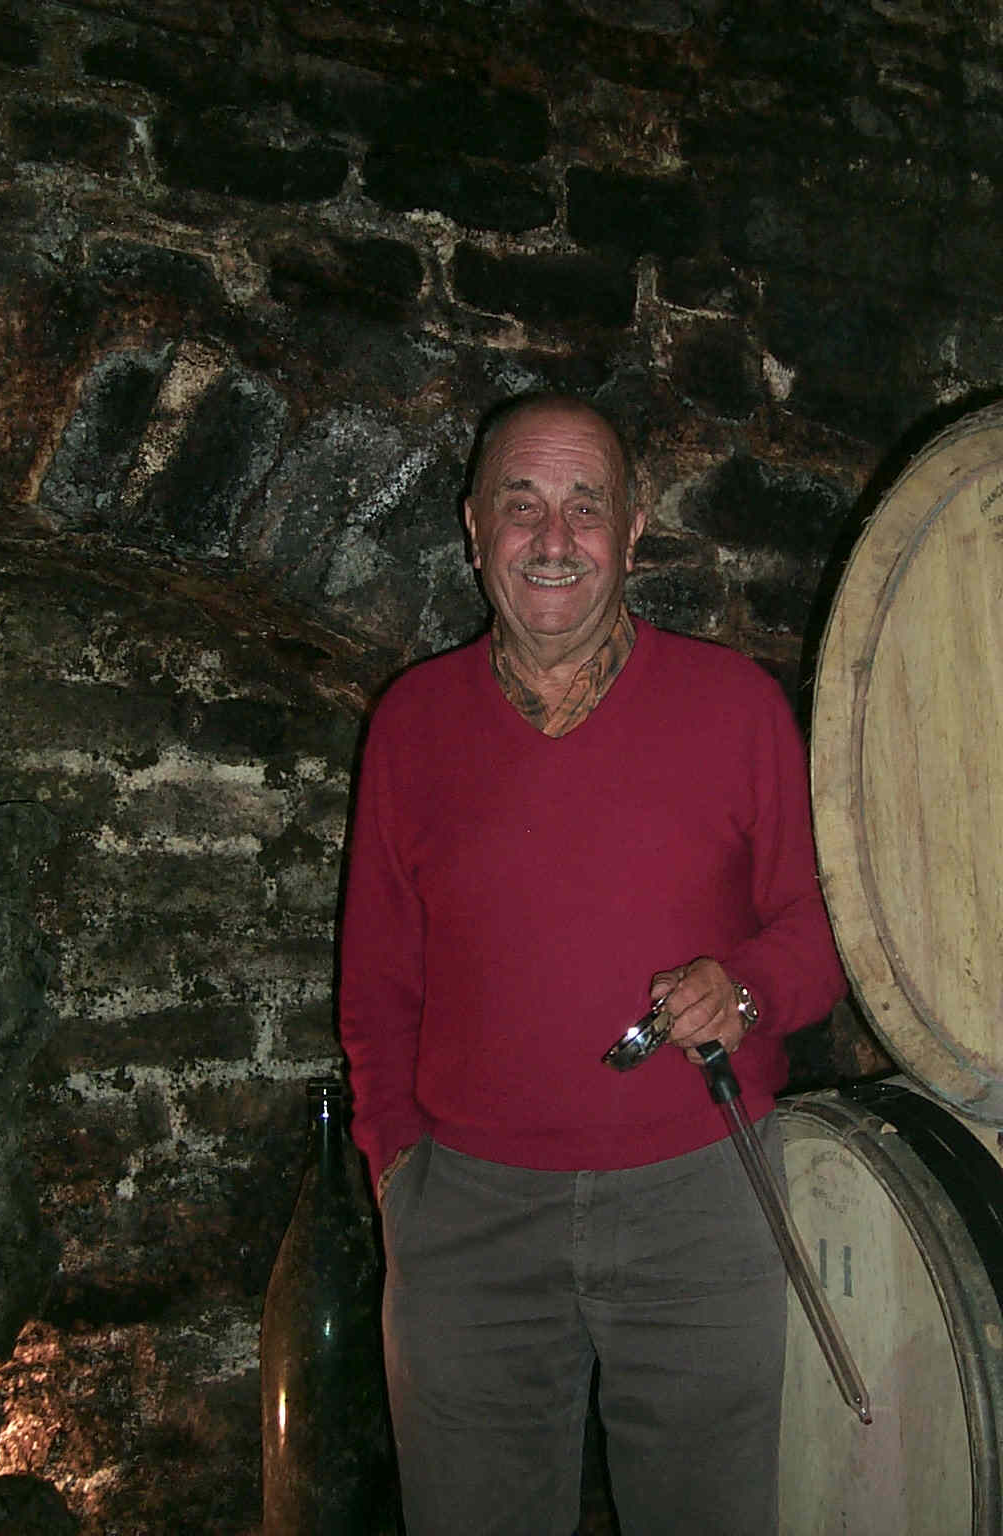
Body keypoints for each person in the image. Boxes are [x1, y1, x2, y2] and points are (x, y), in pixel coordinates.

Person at [339, 392, 846, 1536]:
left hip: (699, 1201)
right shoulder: (412, 723)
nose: (553, 539)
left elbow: (818, 933)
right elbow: (375, 982)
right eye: (521, 505)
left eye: (586, 506)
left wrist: (745, 989)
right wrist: (397, 1170)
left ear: (632, 531)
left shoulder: (734, 707)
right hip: (468, 1219)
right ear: (473, 527)